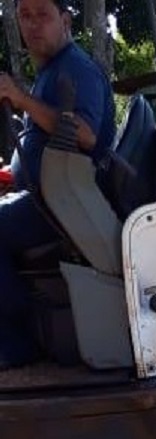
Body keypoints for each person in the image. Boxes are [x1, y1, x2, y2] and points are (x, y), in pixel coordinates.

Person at [0, 0, 115, 368]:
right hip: (48, 195)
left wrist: (21, 99)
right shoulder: (52, 69)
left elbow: (85, 134)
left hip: (62, 205)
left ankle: (20, 342)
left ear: (65, 21)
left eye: (43, 15)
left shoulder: (76, 68)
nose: (33, 25)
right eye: (25, 16)